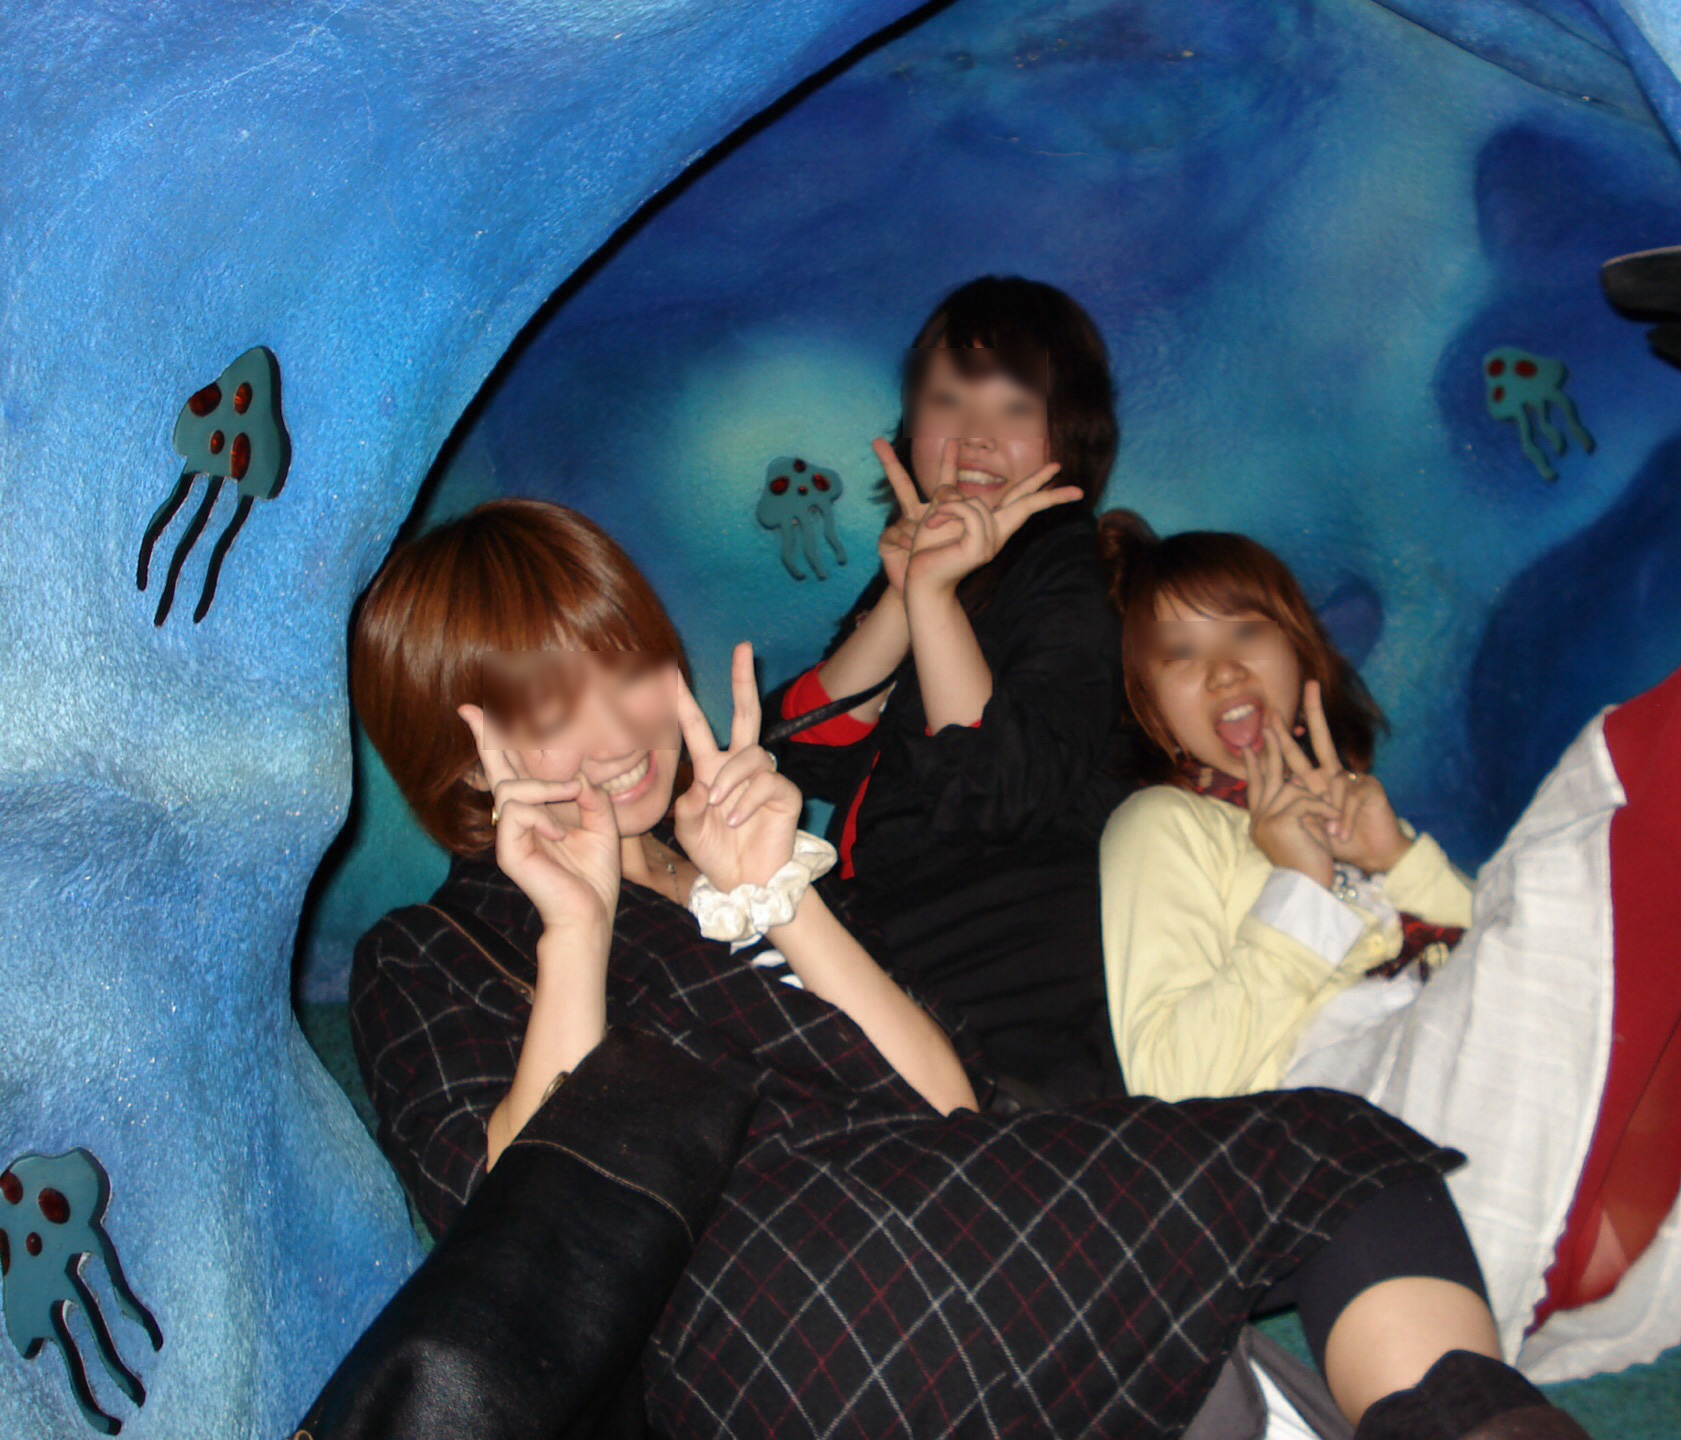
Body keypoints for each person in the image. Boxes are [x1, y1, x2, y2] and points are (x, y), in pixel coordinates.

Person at [345, 497, 1611, 1440]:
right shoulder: (433, 951)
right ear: (459, 757)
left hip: (937, 1261)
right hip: (762, 1314)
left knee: (1252, 1300)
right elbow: (511, 1237)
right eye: (549, 710)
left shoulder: (733, 862)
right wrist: (573, 935)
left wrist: (782, 898)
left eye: (627, 669)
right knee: (1333, 1153)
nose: (620, 730)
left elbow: (945, 1102)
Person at [1099, 241, 1681, 1388]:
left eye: (1246, 631)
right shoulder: (1158, 831)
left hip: (1588, 1152)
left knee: (1630, 810)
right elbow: (1178, 1096)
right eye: (1180, 655)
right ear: (1149, 705)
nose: (1225, 670)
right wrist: (1297, 883)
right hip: (1418, 1183)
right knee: (1612, 823)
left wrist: (1396, 857)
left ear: (1302, 654)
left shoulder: (1351, 807)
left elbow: (1522, 974)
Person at [766, 276, 1129, 1107]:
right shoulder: (935, 563)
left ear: (1068, 435)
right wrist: (905, 595)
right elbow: (793, 756)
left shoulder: (1073, 570)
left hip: (1012, 978)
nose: (974, 435)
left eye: (1014, 406)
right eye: (948, 400)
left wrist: (929, 599)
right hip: (889, 946)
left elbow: (995, 791)